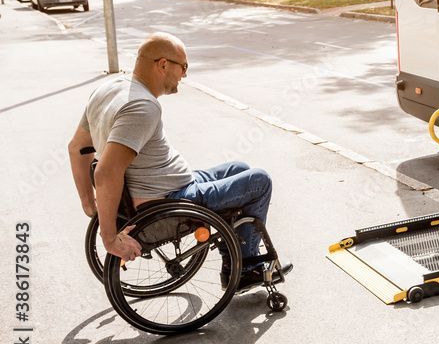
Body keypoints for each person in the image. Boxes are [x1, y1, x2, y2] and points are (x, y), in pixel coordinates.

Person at [68, 32, 290, 289]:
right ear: (163, 65)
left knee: (238, 168)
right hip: (168, 199)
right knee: (259, 181)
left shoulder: (109, 88)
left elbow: (77, 148)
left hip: (167, 186)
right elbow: (106, 173)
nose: (184, 75)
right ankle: (245, 270)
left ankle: (237, 255)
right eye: (183, 67)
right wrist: (110, 239)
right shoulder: (142, 107)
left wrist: (89, 204)